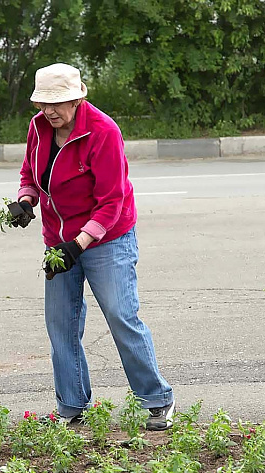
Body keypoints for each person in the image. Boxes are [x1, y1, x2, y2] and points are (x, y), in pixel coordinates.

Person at [13, 63, 175, 431]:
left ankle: (156, 399)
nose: (49, 111)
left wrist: (79, 244)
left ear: (77, 98)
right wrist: (25, 200)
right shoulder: (38, 129)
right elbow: (29, 174)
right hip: (59, 239)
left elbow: (111, 201)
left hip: (108, 238)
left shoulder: (103, 131)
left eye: (57, 103)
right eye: (43, 104)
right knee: (60, 324)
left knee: (121, 316)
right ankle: (71, 404)